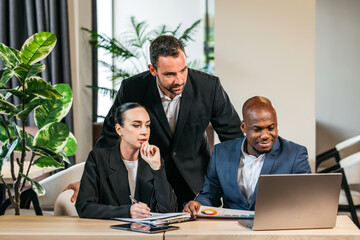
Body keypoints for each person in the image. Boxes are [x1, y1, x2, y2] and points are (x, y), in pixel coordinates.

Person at [67, 35, 243, 209]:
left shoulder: (209, 87)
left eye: (183, 70)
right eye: (169, 74)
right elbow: (109, 137)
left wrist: (238, 183)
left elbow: (233, 138)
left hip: (196, 185)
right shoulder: (132, 88)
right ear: (153, 70)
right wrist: (90, 181)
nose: (180, 80)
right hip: (150, 184)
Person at [183, 96, 312, 218]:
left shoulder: (295, 154)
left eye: (271, 128)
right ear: (244, 127)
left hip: (275, 229)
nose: (265, 135)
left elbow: (307, 198)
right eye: (257, 129)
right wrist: (197, 205)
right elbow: (210, 195)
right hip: (231, 230)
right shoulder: (221, 153)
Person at [75, 103, 177, 219]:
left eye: (147, 125)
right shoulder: (98, 158)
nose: (144, 131)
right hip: (109, 233)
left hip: (147, 235)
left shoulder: (153, 161)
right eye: (136, 125)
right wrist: (127, 211)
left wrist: (157, 168)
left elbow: (168, 211)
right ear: (119, 129)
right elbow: (84, 207)